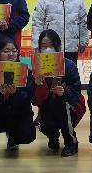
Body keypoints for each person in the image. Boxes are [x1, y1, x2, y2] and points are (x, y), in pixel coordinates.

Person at [0, 39, 36, 157]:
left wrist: (16, 93)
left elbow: (30, 97)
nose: (11, 54)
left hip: (16, 112)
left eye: (14, 51)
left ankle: (13, 139)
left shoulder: (25, 71)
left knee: (27, 134)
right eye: (6, 51)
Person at [33, 29, 85, 157]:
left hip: (69, 108)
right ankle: (53, 136)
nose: (47, 49)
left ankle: (71, 142)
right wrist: (39, 85)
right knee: (44, 121)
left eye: (51, 45)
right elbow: (35, 100)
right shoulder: (36, 67)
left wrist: (64, 93)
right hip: (47, 109)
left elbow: (77, 94)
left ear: (58, 46)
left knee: (61, 104)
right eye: (43, 46)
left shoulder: (69, 65)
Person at [31, 0, 88, 64]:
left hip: (71, 47)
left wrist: (83, 42)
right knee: (50, 72)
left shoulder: (78, 0)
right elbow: (37, 23)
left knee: (70, 71)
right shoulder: (44, 0)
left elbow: (83, 22)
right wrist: (37, 45)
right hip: (50, 47)